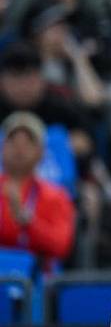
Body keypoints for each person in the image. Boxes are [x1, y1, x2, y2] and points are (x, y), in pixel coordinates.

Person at [0, 111, 76, 265]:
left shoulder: (56, 196)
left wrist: (28, 222)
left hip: (36, 279)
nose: (19, 149)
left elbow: (61, 246)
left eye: (28, 143)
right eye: (13, 141)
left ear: (41, 152)